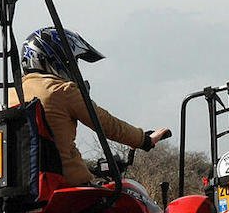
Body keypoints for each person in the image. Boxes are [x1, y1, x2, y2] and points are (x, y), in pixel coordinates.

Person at [9, 27, 170, 186]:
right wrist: (144, 140)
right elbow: (106, 123)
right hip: (65, 184)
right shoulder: (61, 90)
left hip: (22, 189)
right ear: (56, 59)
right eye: (72, 61)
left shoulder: (9, 96)